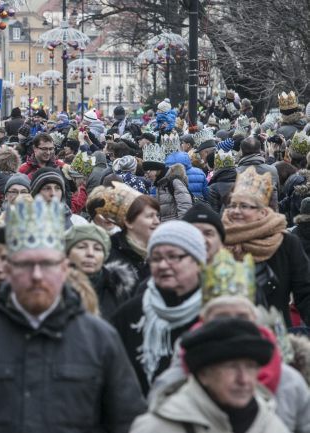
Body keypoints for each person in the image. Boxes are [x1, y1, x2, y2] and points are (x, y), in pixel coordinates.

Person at [0, 196, 147, 433]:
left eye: (47, 264)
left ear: (64, 269)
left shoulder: (98, 339)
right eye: (25, 264)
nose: (37, 275)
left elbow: (127, 420)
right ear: (9, 269)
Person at [130, 318, 288, 433]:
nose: (243, 379)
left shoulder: (272, 426)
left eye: (251, 367)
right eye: (231, 367)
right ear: (203, 374)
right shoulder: (157, 428)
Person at [112, 220, 207, 394]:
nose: (163, 265)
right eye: (156, 258)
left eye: (173, 257)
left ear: (197, 261)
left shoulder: (216, 310)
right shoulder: (130, 315)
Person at [221, 167, 310, 326]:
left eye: (244, 206)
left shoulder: (286, 244)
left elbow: (305, 293)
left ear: (262, 212)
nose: (235, 211)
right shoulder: (219, 240)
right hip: (226, 338)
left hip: (275, 337)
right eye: (232, 205)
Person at [88, 182, 161, 282]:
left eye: (156, 215)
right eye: (149, 216)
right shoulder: (109, 259)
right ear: (128, 222)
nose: (157, 221)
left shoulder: (161, 252)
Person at [65, 223, 138, 319]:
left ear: (104, 256)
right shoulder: (55, 290)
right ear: (67, 254)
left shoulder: (119, 289)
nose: (90, 253)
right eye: (81, 247)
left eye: (97, 249)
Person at [236, 136, 280, 210]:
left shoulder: (236, 172)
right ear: (260, 150)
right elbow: (278, 191)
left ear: (241, 151)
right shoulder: (272, 170)